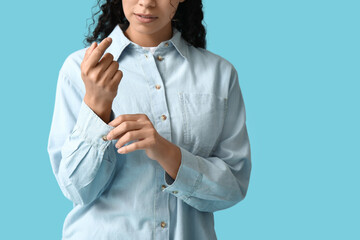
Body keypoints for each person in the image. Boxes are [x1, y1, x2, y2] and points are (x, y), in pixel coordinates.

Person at [47, 0, 252, 239]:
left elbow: (233, 186)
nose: (146, 2)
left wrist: (169, 154)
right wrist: (97, 105)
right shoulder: (79, 69)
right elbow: (77, 190)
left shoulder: (220, 74)